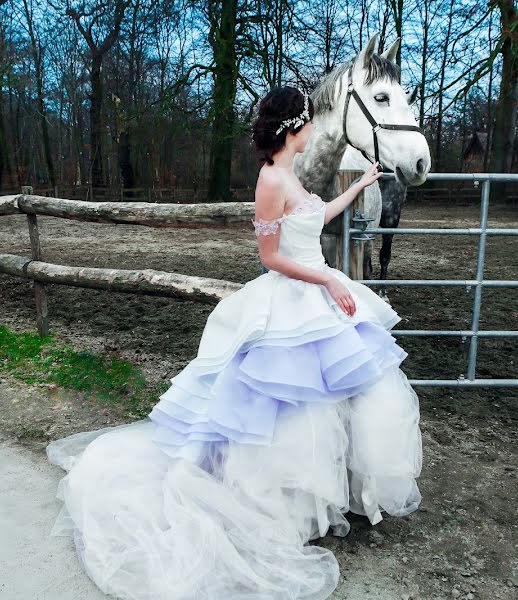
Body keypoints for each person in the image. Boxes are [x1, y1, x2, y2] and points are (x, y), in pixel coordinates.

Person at [45, 85, 423, 600]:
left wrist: (357, 190)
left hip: (316, 289)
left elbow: (312, 222)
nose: (312, 129)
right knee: (290, 402)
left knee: (337, 391)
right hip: (295, 295)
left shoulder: (291, 175)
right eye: (307, 122)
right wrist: (329, 280)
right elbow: (270, 256)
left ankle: (340, 492)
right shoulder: (270, 180)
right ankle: (285, 500)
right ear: (291, 129)